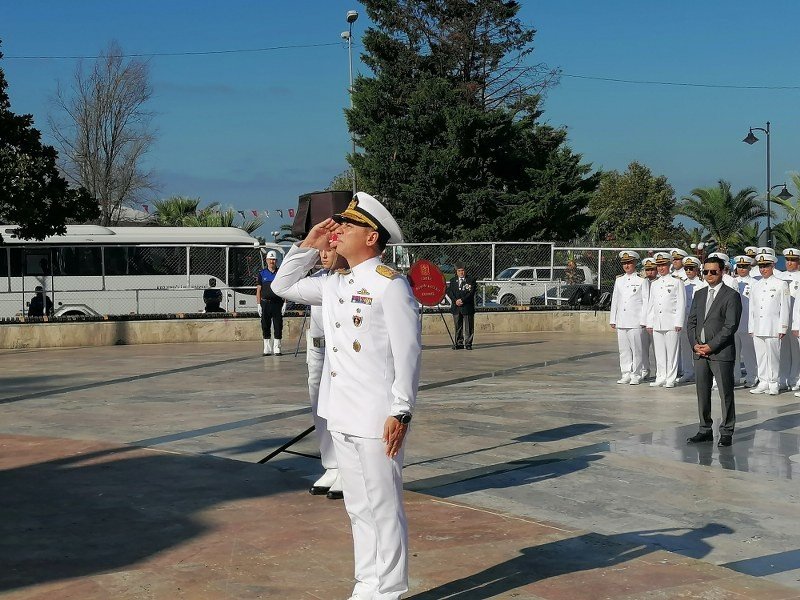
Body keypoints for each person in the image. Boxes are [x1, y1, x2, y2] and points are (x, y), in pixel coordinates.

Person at [271, 191, 421, 600]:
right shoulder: (334, 284)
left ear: (372, 237)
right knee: (358, 507)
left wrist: (401, 410)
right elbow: (283, 286)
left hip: (378, 417)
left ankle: (389, 590)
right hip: (341, 415)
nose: (337, 232)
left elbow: (408, 353)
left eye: (347, 226)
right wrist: (308, 244)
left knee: (384, 506)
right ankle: (366, 584)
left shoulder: (389, 286)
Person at [686, 256, 742, 447]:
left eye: (713, 272)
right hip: (699, 352)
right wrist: (695, 344)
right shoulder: (699, 294)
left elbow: (730, 326)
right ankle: (705, 429)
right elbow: (691, 322)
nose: (709, 275)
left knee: (725, 393)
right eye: (706, 272)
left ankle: (726, 431)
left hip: (721, 352)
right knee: (702, 392)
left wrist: (711, 346)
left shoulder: (731, 295)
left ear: (722, 272)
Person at [307, 247, 349, 501]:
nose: (322, 255)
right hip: (317, 349)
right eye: (319, 250)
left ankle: (346, 468)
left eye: (329, 250)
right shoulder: (319, 279)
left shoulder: (347, 280)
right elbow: (283, 284)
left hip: (340, 351)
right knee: (319, 408)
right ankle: (331, 464)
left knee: (340, 410)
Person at [749, 252, 790, 395]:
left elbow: (785, 307)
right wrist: (751, 326)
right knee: (760, 356)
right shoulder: (756, 285)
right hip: (758, 326)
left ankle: (774, 382)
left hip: (773, 326)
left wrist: (783, 326)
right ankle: (763, 381)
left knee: (773, 356)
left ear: (772, 265)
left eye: (766, 266)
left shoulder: (780, 284)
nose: (763, 269)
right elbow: (752, 308)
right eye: (761, 266)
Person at [646, 251, 686, 388]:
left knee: (672, 352)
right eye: (658, 265)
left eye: (663, 265)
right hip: (657, 322)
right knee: (659, 352)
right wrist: (649, 322)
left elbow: (681, 303)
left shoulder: (677, 282)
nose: (660, 268)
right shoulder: (655, 284)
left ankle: (670, 378)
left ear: (669, 265)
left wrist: (678, 322)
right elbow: (651, 305)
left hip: (671, 322)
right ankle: (660, 376)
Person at [609, 250, 645, 385]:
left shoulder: (641, 280)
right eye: (624, 263)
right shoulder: (619, 280)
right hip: (622, 320)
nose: (627, 265)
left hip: (635, 320)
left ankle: (636, 373)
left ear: (635, 263)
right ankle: (626, 373)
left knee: (637, 349)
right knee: (623, 350)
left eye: (629, 262)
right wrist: (613, 319)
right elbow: (615, 301)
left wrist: (644, 320)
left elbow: (645, 301)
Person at [677, 256, 706, 383]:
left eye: (691, 268)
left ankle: (700, 371)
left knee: (699, 346)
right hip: (685, 319)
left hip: (698, 321)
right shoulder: (681, 283)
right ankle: (688, 371)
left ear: (697, 269)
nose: (688, 271)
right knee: (685, 347)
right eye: (686, 268)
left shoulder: (702, 285)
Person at [733, 255, 758, 387]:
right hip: (733, 323)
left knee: (749, 353)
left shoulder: (754, 283)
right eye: (739, 266)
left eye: (744, 267)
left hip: (747, 322)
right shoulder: (732, 282)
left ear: (749, 267)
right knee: (734, 352)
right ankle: (735, 376)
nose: (741, 269)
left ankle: (752, 376)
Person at [256, 250, 286, 356]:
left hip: (277, 303)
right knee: (265, 325)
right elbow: (258, 290)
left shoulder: (280, 273)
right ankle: (267, 348)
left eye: (273, 259)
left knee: (278, 325)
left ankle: (277, 348)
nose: (272, 261)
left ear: (276, 261)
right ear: (266, 260)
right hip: (265, 304)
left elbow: (284, 289)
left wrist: (285, 303)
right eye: (270, 259)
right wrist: (258, 304)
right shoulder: (262, 273)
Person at [778, 248, 800, 391]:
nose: (789, 263)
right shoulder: (780, 277)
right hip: (783, 320)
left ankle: (796, 379)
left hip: (796, 319)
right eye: (787, 260)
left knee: (796, 351)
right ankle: (784, 378)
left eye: (793, 260)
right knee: (783, 351)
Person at [447, 263, 477, 350]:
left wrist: (462, 300)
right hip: (456, 307)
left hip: (467, 306)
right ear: (456, 272)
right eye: (459, 271)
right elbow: (450, 292)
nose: (461, 272)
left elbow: (471, 293)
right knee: (457, 326)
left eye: (462, 270)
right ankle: (458, 343)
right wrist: (455, 300)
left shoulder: (470, 280)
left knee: (469, 326)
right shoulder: (453, 280)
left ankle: (468, 343)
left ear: (465, 271)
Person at [639, 255, 658, 379]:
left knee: (658, 349)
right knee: (642, 347)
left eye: (652, 269)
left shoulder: (662, 283)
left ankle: (661, 371)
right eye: (647, 269)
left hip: (657, 320)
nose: (649, 272)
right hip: (643, 320)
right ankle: (645, 369)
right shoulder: (641, 282)